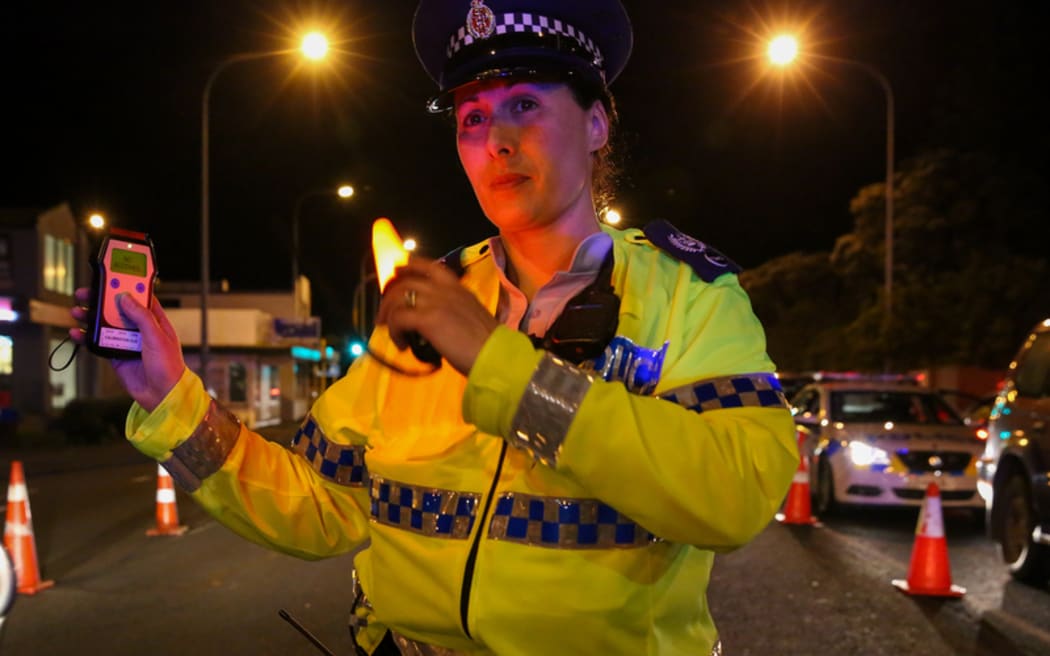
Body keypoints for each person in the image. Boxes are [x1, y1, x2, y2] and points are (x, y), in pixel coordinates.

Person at [71, 1, 798, 654]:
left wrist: (495, 362)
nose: (497, 141)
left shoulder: (691, 296)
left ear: (598, 122)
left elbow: (735, 496)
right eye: (473, 118)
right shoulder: (426, 304)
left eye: (524, 104)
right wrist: (174, 398)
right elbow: (320, 505)